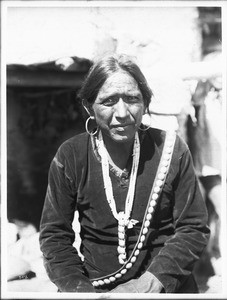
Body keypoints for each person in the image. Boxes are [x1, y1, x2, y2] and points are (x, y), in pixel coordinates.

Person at [39, 54, 210, 293]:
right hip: (94, 288)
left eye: (132, 99)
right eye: (109, 101)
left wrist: (150, 284)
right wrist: (80, 291)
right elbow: (54, 237)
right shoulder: (71, 156)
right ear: (89, 106)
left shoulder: (172, 149)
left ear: (145, 103)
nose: (122, 112)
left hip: (164, 287)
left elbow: (193, 228)